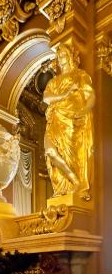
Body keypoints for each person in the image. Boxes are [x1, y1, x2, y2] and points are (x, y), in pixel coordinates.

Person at [43, 44, 95, 200]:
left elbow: (90, 95)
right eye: (59, 56)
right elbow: (46, 98)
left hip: (73, 119)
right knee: (50, 151)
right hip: (55, 119)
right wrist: (65, 93)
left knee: (73, 155)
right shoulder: (54, 82)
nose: (61, 58)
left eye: (64, 54)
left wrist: (84, 110)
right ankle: (74, 181)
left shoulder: (80, 75)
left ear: (71, 57)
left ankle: (76, 185)